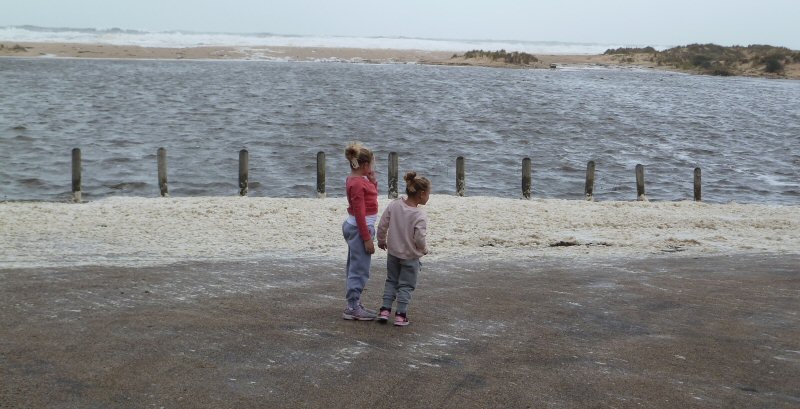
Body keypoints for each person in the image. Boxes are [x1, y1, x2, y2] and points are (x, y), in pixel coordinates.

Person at [376, 172, 431, 326]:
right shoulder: (419, 215)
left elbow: (382, 225)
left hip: (393, 253)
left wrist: (381, 240)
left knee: (391, 281)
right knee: (406, 285)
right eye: (428, 194)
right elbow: (419, 237)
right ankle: (400, 314)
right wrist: (424, 249)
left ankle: (385, 310)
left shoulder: (394, 205)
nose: (428, 197)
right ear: (421, 194)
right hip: (410, 256)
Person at [342, 142, 379, 320]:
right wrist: (366, 238)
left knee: (354, 265)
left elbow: (371, 198)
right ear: (364, 165)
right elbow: (359, 211)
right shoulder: (357, 183)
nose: (372, 167)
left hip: (357, 227)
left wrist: (372, 180)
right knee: (359, 269)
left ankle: (354, 303)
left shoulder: (357, 180)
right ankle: (352, 307)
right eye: (371, 164)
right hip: (359, 228)